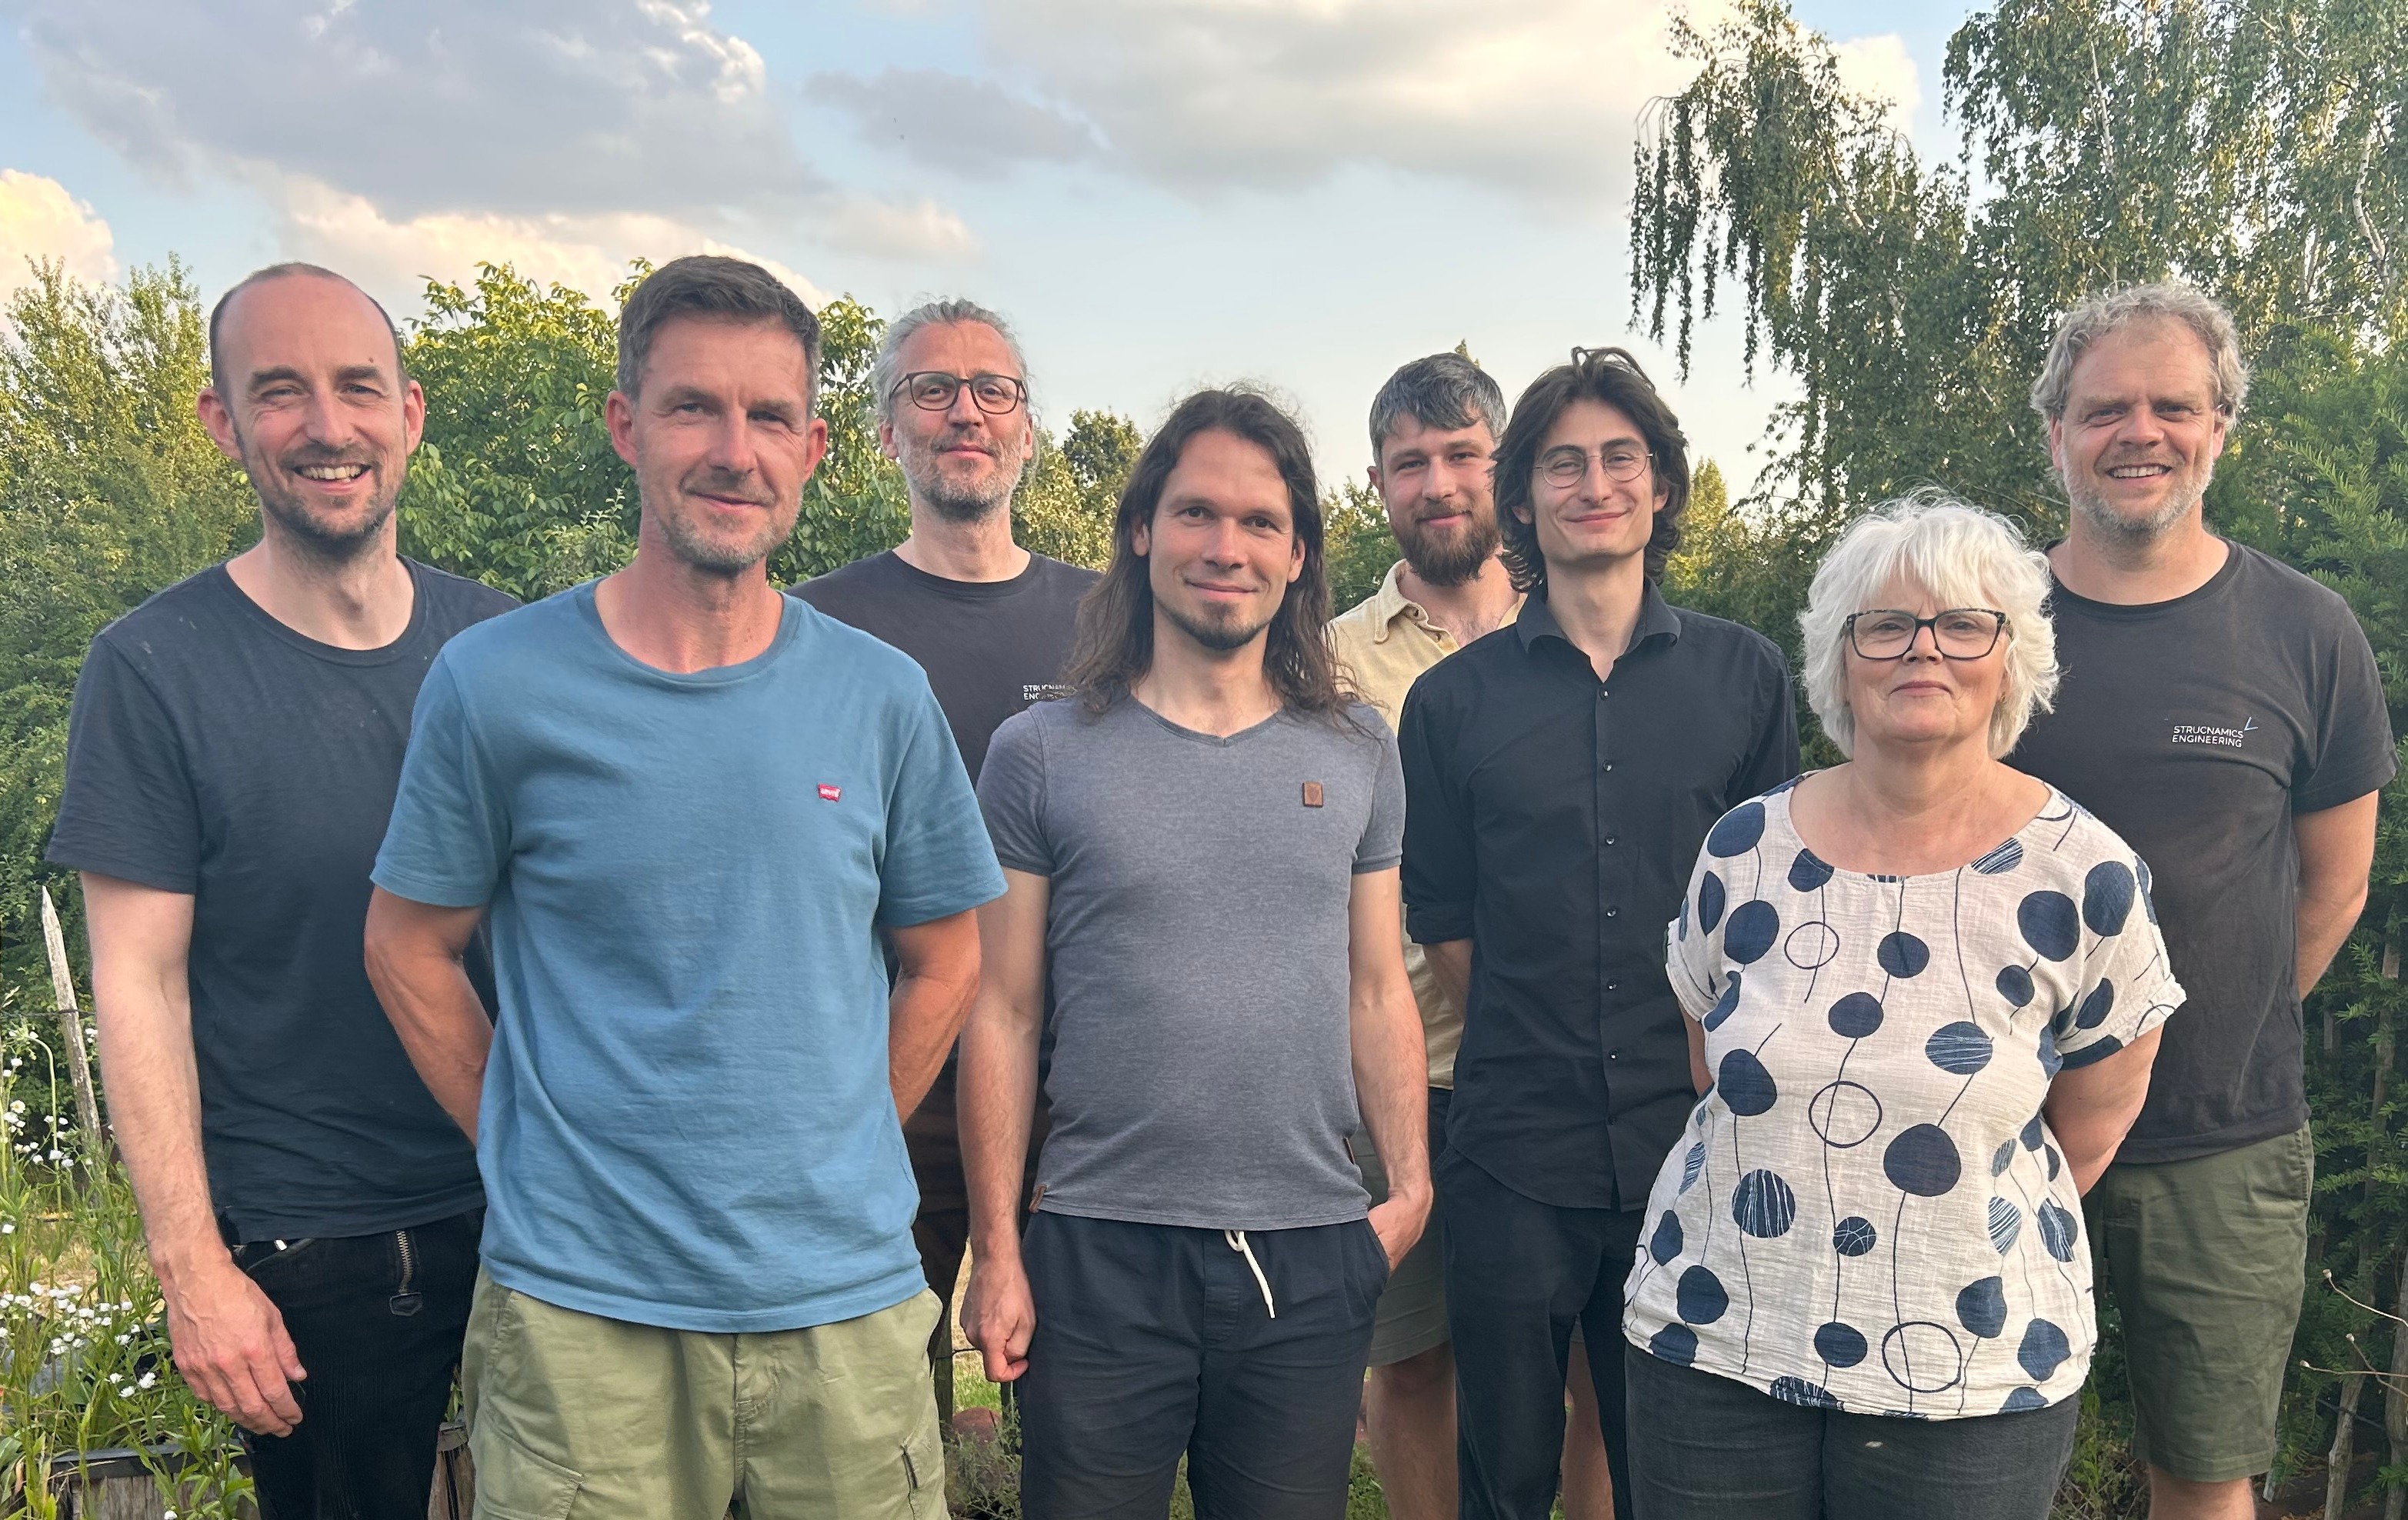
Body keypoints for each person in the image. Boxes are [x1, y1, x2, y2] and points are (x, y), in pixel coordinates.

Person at [361, 255, 1004, 1518]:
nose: (732, 450)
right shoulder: (496, 684)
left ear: (814, 448)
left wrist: (846, 1132)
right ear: (626, 425)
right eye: (692, 407)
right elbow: (406, 945)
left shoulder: (881, 696)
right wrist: (521, 1140)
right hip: (582, 1322)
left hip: (843, 1308)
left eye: (768, 416)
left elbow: (948, 958)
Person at [45, 262, 515, 1520]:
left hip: (532, 1199)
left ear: (409, 414)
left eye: (357, 387)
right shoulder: (154, 669)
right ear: (223, 422)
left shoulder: (503, 646)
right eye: (279, 392)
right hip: (313, 1243)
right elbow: (137, 983)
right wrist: (193, 1269)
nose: (326, 425)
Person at [1623, 495, 2180, 1517]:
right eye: (1884, 625)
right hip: (1715, 1339)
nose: (1922, 648)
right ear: (1839, 662)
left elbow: (2091, 1126)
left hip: (1972, 1368)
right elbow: (1711, 1064)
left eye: (1962, 624)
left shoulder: (2085, 875)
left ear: (2010, 659)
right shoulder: (1742, 850)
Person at [958, 388, 1433, 1518]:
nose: (1227, 547)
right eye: (1196, 514)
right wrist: (999, 1250)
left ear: (1298, 554)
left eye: (1261, 521)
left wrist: (1410, 1192)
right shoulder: (1039, 752)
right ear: (1141, 531)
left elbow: (1377, 990)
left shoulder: (1358, 749)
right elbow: (1002, 1010)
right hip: (1097, 1248)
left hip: (1308, 1252)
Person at [2010, 282, 2393, 1519]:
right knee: (1965, 1465)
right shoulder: (1980, 623)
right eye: (2102, 409)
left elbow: (2333, 884)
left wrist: (2196, 1022)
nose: (2139, 432)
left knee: (2205, 1476)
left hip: (2221, 1137)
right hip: (1987, 1127)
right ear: (2056, 434)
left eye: (2172, 406)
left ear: (2219, 427)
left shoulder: (2305, 631)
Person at [1399, 346, 1799, 1520]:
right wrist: (1538, 1034)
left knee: (1676, 1475)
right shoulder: (1450, 703)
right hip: (1512, 1150)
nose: (1593, 484)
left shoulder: (1744, 677)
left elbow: (1770, 908)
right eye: (1561, 463)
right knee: (1507, 1474)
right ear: (1521, 499)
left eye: (1620, 458)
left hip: (1696, 1146)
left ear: (1661, 486)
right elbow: (1444, 919)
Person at [791, 299, 1099, 1408]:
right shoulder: (813, 627)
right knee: (870, 1400)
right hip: (884, 1069)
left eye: (992, 389)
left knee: (1079, 1416)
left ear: (1027, 429)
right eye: (932, 389)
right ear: (886, 430)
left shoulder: (1111, 622)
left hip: (1075, 1077)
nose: (965, 412)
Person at [1327, 353, 1612, 1520]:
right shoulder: (1329, 663)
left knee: (1593, 1358)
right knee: (1412, 1358)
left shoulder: (1585, 630)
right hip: (1403, 1073)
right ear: (1378, 485)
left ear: (1507, 468)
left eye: (1461, 456)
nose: (1438, 484)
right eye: (1409, 464)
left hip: (1567, 1070)